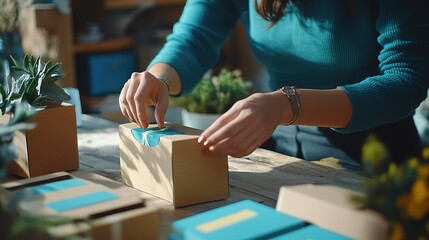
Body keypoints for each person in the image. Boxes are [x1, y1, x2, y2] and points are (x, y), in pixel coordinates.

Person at [119, 0, 429, 165]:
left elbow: (406, 80)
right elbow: (192, 37)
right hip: (279, 147)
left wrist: (287, 104)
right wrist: (158, 78)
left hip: (377, 157)